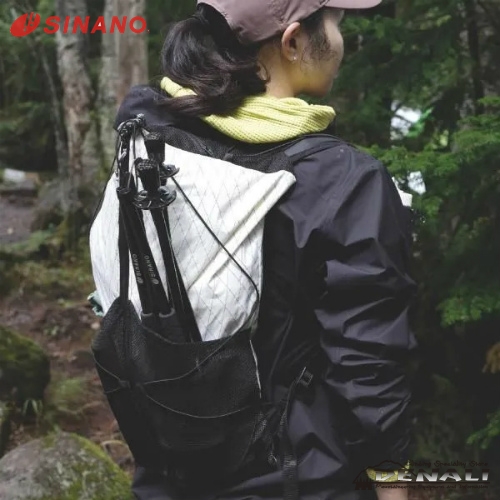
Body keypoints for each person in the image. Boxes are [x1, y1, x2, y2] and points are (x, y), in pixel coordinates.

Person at [93, 0, 419, 499]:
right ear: (293, 42)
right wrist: (395, 485)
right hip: (299, 478)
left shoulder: (150, 135)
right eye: (336, 23)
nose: (341, 39)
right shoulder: (342, 181)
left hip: (169, 470)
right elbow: (369, 367)